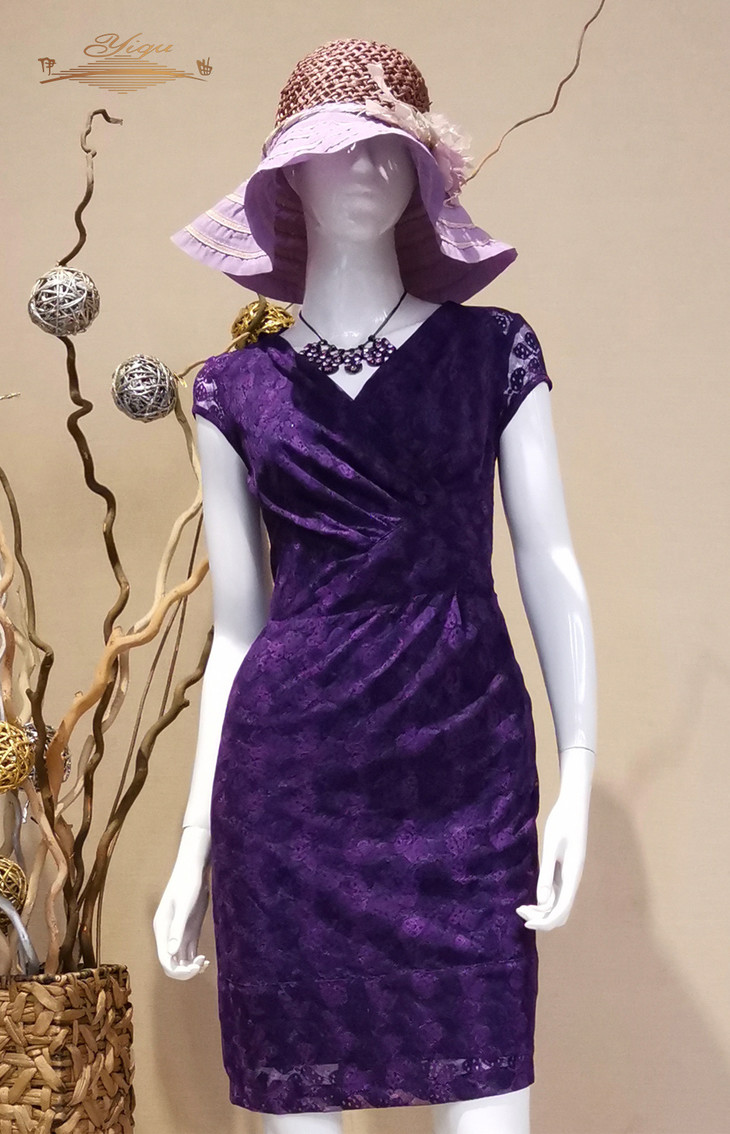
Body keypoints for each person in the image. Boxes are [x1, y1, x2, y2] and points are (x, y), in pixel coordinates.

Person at [154, 39, 596, 1134]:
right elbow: (236, 629)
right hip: (288, 786)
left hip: (463, 759)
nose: (367, 167)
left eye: (393, 149)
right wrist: (197, 836)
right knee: (296, 1101)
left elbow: (548, 561)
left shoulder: (494, 352)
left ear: (426, 177)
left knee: (487, 1088)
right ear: (286, 180)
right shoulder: (232, 390)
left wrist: (579, 770)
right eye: (338, 148)